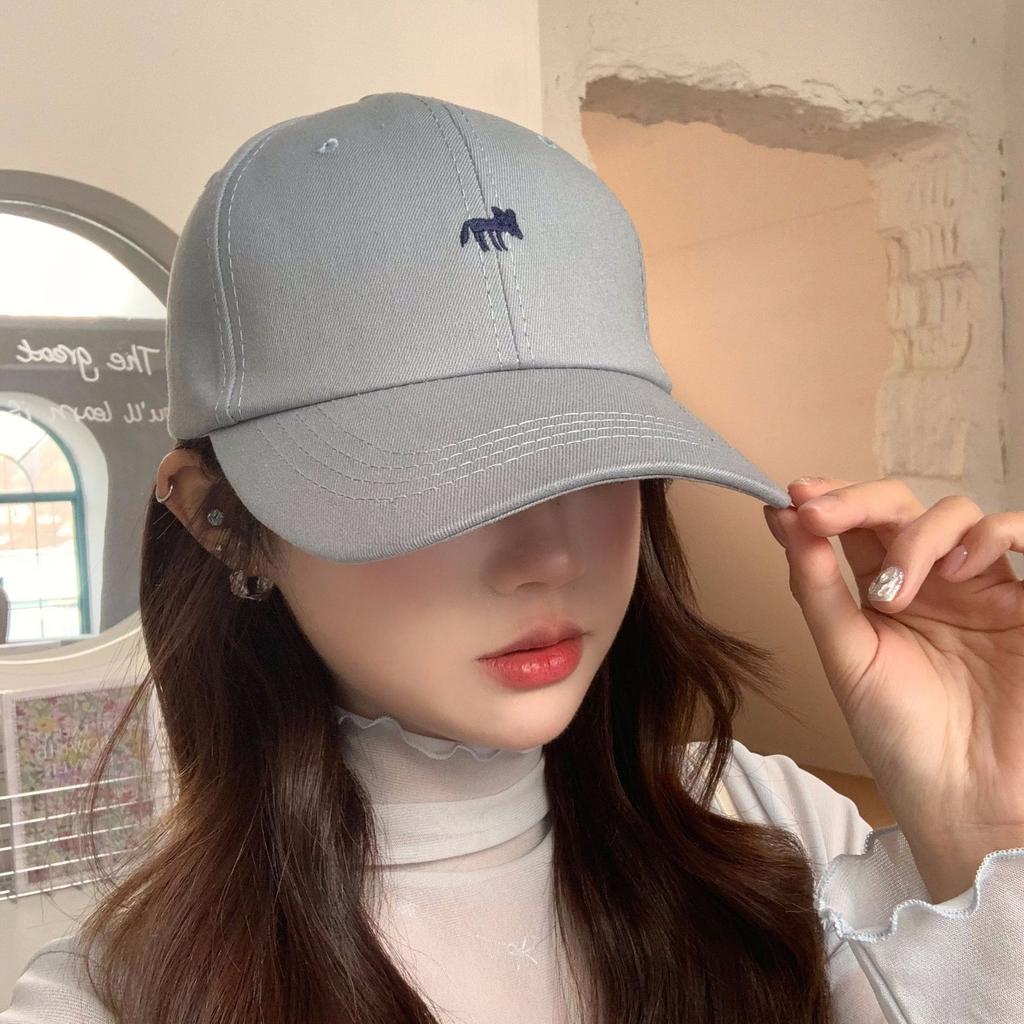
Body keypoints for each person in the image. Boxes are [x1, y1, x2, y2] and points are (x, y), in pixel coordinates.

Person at [3, 92, 1022, 1024]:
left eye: (593, 458)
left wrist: (982, 827)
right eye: (431, 475)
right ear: (221, 518)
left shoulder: (777, 828)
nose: (546, 557)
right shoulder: (112, 1002)